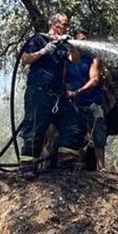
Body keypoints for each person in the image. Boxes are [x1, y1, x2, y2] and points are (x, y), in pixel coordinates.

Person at [17, 12, 84, 178]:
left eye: (68, 25)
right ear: (55, 24)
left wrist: (71, 45)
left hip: (58, 94)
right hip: (39, 91)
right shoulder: (38, 39)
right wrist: (44, 51)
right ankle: (27, 167)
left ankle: (66, 161)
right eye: (65, 24)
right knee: (35, 127)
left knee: (74, 122)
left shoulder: (63, 45)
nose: (67, 27)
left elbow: (75, 59)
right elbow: (25, 59)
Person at [65, 29, 107, 172]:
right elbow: (63, 79)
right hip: (76, 104)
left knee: (98, 133)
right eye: (81, 40)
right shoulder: (68, 60)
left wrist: (77, 92)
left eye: (86, 40)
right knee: (77, 133)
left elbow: (94, 80)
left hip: (93, 102)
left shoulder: (92, 58)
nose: (84, 43)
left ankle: (101, 167)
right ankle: (77, 164)